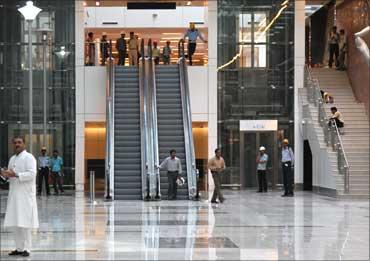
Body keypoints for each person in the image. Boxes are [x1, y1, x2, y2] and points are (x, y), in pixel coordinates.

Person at [1, 136, 38, 257]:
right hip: (14, 195)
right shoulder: (12, 159)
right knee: (15, 223)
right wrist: (5, 174)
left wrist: (16, 174)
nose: (17, 144)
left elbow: (32, 174)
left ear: (24, 144)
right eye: (15, 143)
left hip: (25, 196)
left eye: (19, 142)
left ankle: (27, 248)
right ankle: (19, 248)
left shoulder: (29, 157)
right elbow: (10, 176)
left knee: (25, 223)